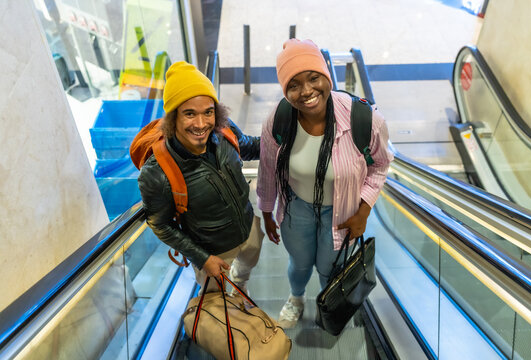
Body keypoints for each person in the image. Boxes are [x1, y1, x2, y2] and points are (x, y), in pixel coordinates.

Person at [257, 39, 394, 328]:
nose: (306, 91)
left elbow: (381, 164)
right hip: (297, 208)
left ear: (326, 76)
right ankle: (296, 298)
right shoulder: (278, 120)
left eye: (313, 78)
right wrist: (267, 211)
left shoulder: (364, 120)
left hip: (343, 212)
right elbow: (268, 169)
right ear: (285, 90)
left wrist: (364, 211)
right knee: (300, 263)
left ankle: (328, 301)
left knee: (329, 267)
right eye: (293, 84)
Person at [138, 61, 261, 293]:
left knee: (247, 265)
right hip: (214, 253)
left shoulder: (224, 131)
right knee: (216, 307)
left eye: (208, 112)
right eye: (189, 114)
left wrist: (286, 139)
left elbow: (249, 146)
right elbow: (160, 224)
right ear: (173, 118)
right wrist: (203, 259)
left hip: (248, 227)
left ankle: (240, 285)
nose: (201, 124)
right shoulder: (158, 172)